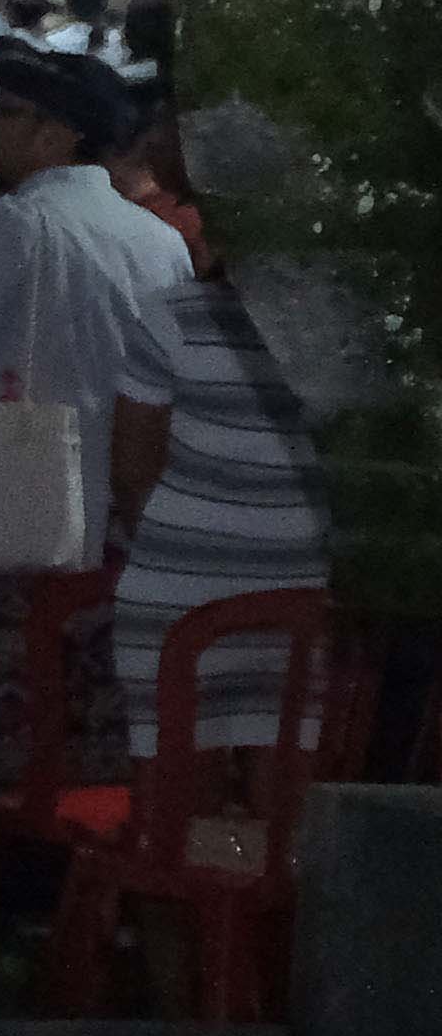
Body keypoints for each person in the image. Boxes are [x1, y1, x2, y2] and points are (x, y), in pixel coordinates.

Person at [0, 44, 182, 746]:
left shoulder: (13, 224)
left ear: (57, 134)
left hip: (0, 515)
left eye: (9, 113)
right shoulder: (160, 240)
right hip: (112, 520)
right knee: (76, 729)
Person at [108, 108, 329, 760]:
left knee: (171, 796)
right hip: (306, 591)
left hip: (176, 587)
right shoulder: (347, 329)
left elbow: (131, 468)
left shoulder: (171, 317)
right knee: (284, 806)